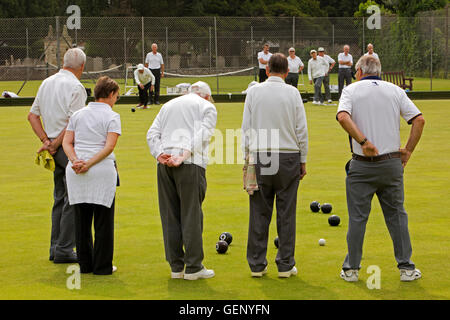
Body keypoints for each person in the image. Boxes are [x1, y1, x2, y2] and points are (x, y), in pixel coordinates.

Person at [336, 55, 425, 282]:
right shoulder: (395, 90)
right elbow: (419, 120)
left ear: (358, 72)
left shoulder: (351, 90)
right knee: (397, 216)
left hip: (362, 165)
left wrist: (364, 142)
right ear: (380, 71)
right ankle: (406, 269)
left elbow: (343, 116)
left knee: (357, 218)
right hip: (392, 164)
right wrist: (408, 150)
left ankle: (352, 270)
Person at [242, 53, 308, 278]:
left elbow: (246, 128)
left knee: (259, 211)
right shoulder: (293, 92)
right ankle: (285, 264)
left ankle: (257, 265)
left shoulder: (253, 91)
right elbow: (301, 130)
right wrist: (303, 159)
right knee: (286, 212)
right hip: (288, 156)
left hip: (261, 156)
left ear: (267, 70)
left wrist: (246, 158)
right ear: (287, 72)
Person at [147, 81, 217, 280]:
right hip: (191, 163)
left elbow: (152, 133)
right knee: (191, 214)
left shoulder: (168, 105)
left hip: (165, 163)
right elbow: (203, 134)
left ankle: (176, 268)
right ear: (205, 95)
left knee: (170, 215)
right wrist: (184, 155)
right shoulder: (207, 107)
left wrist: (160, 154)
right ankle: (194, 268)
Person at [27, 48, 87, 264]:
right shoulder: (77, 87)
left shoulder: (46, 83)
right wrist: (55, 144)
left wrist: (46, 141)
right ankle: (64, 249)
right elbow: (74, 122)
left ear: (64, 62)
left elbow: (32, 116)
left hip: (53, 147)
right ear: (81, 66)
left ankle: (55, 248)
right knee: (72, 199)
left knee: (59, 199)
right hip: (68, 148)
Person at [63, 76, 121, 275]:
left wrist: (75, 161)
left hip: (76, 172)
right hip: (101, 171)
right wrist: (87, 163)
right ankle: (103, 267)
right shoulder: (112, 116)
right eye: (116, 96)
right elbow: (109, 146)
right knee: (103, 221)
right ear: (111, 94)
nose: (116, 100)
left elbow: (67, 143)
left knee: (81, 221)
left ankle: (85, 265)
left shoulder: (78, 114)